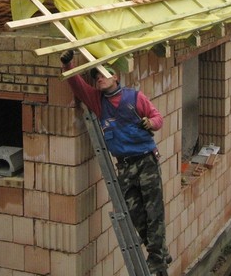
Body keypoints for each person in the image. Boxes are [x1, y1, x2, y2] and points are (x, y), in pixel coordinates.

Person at [61, 50, 171, 276]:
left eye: (103, 74)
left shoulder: (134, 98)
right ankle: (160, 252)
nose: (99, 79)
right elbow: (77, 85)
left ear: (115, 77)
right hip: (125, 166)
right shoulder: (98, 102)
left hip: (146, 160)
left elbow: (158, 118)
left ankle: (157, 259)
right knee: (135, 214)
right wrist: (67, 63)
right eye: (96, 77)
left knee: (153, 210)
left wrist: (150, 123)